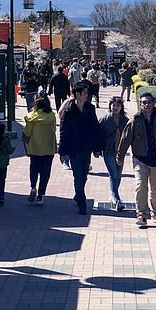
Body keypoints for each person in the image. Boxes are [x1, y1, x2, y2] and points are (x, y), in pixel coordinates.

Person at [117, 91, 156, 227]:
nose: (146, 105)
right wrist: (120, 156)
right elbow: (125, 139)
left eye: (149, 102)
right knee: (141, 186)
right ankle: (142, 215)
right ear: (140, 104)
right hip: (140, 159)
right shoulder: (135, 120)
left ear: (153, 103)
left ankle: (155, 212)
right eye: (144, 102)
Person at [58, 81, 103, 215]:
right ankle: (82, 203)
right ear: (77, 94)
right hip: (74, 148)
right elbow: (63, 131)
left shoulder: (90, 108)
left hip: (87, 147)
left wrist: (97, 148)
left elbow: (95, 128)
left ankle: (78, 195)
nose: (87, 94)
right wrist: (62, 151)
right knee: (78, 175)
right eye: (84, 93)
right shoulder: (68, 110)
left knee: (84, 175)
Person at [22, 93, 57, 205]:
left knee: (34, 168)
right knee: (45, 172)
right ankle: (40, 197)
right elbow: (54, 129)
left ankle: (33, 187)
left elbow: (27, 132)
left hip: (35, 147)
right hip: (48, 148)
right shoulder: (51, 115)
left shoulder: (31, 116)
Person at [99, 98, 128, 210]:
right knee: (113, 174)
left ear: (121, 108)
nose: (115, 108)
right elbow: (98, 135)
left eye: (117, 106)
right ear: (110, 106)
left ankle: (113, 195)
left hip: (120, 151)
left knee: (118, 175)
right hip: (108, 150)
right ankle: (116, 198)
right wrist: (97, 150)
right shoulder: (105, 120)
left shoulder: (125, 120)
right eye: (113, 105)